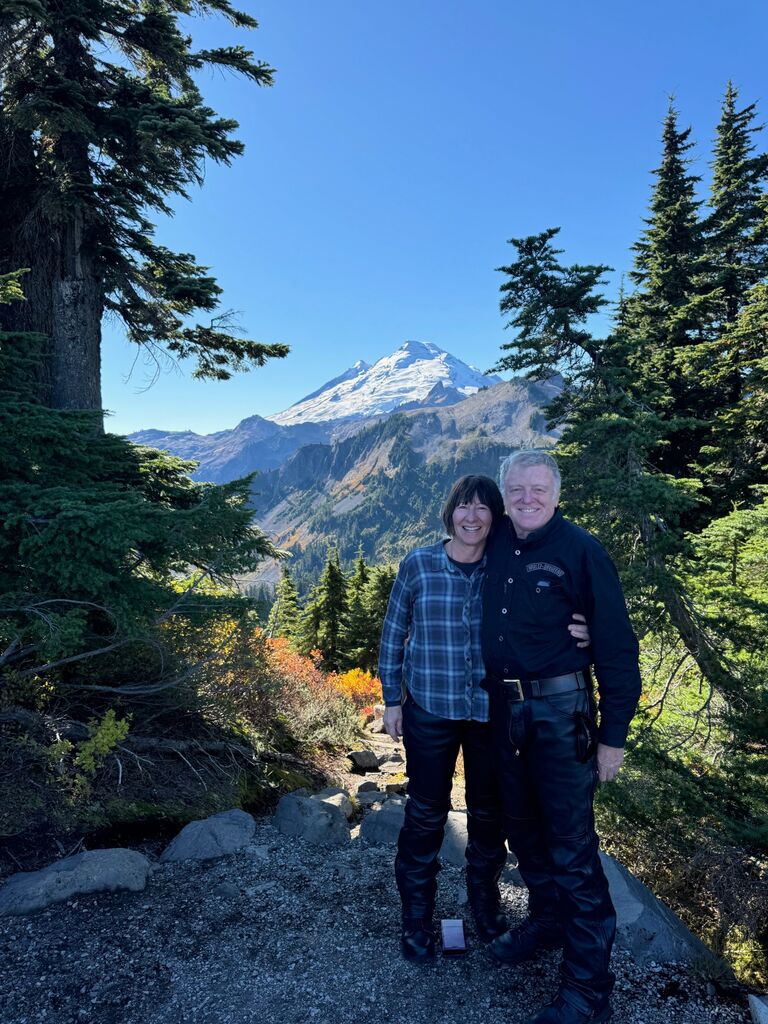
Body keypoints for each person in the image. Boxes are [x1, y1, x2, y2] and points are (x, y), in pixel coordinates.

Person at [378, 474, 590, 962]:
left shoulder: (504, 568)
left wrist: (588, 629)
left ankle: (485, 906)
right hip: (429, 708)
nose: (471, 517)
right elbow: (394, 632)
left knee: (489, 815)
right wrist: (393, 698)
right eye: (463, 508)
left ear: (496, 519)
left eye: (482, 509)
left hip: (490, 713)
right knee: (425, 815)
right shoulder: (420, 564)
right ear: (449, 513)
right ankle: (416, 921)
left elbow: (547, 610)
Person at [481, 450, 641, 1024]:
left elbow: (618, 645)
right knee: (523, 831)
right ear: (506, 493)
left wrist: (613, 737)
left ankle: (587, 990)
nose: (527, 498)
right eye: (517, 489)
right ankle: (547, 924)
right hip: (506, 711)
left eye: (538, 489)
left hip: (562, 712)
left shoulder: (582, 550)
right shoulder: (495, 538)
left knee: (573, 851)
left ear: (556, 493)